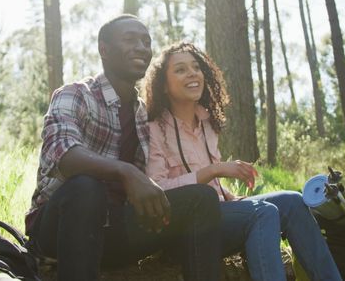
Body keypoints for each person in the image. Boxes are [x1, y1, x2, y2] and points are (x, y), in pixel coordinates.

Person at [25, 16, 222, 281]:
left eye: (146, 42)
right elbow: (65, 155)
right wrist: (125, 171)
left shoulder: (142, 113)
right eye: (130, 40)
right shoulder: (74, 94)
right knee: (86, 186)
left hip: (114, 229)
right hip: (60, 229)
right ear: (104, 50)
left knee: (201, 198)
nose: (141, 47)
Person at [144, 42, 343, 281]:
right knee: (263, 212)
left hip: (218, 215)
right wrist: (214, 170)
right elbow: (158, 190)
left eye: (196, 67)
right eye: (180, 69)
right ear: (164, 85)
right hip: (185, 231)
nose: (192, 73)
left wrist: (228, 195)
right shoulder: (154, 129)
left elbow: (206, 184)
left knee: (293, 201)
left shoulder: (207, 123)